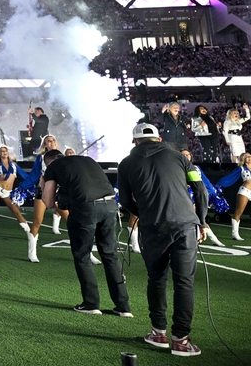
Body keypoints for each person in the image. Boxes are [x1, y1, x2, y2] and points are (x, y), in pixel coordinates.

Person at [117, 122, 208, 358]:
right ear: (159, 139)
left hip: (153, 227)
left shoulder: (126, 163)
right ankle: (181, 340)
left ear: (135, 142)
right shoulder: (179, 157)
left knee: (156, 279)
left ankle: (158, 332)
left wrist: (145, 213)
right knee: (184, 282)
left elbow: (126, 201)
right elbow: (200, 190)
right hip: (185, 225)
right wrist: (201, 220)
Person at [41, 149, 130, 316]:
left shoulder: (53, 167)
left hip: (85, 208)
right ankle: (123, 307)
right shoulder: (87, 160)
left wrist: (43, 182)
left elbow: (49, 202)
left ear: (49, 162)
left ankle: (91, 303)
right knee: (110, 255)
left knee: (82, 256)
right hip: (110, 206)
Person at [216, 152, 251, 241]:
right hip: (245, 191)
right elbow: (230, 177)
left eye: (250, 156)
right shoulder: (241, 168)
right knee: (239, 212)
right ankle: (235, 233)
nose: (249, 158)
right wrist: (219, 184)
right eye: (247, 157)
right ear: (243, 159)